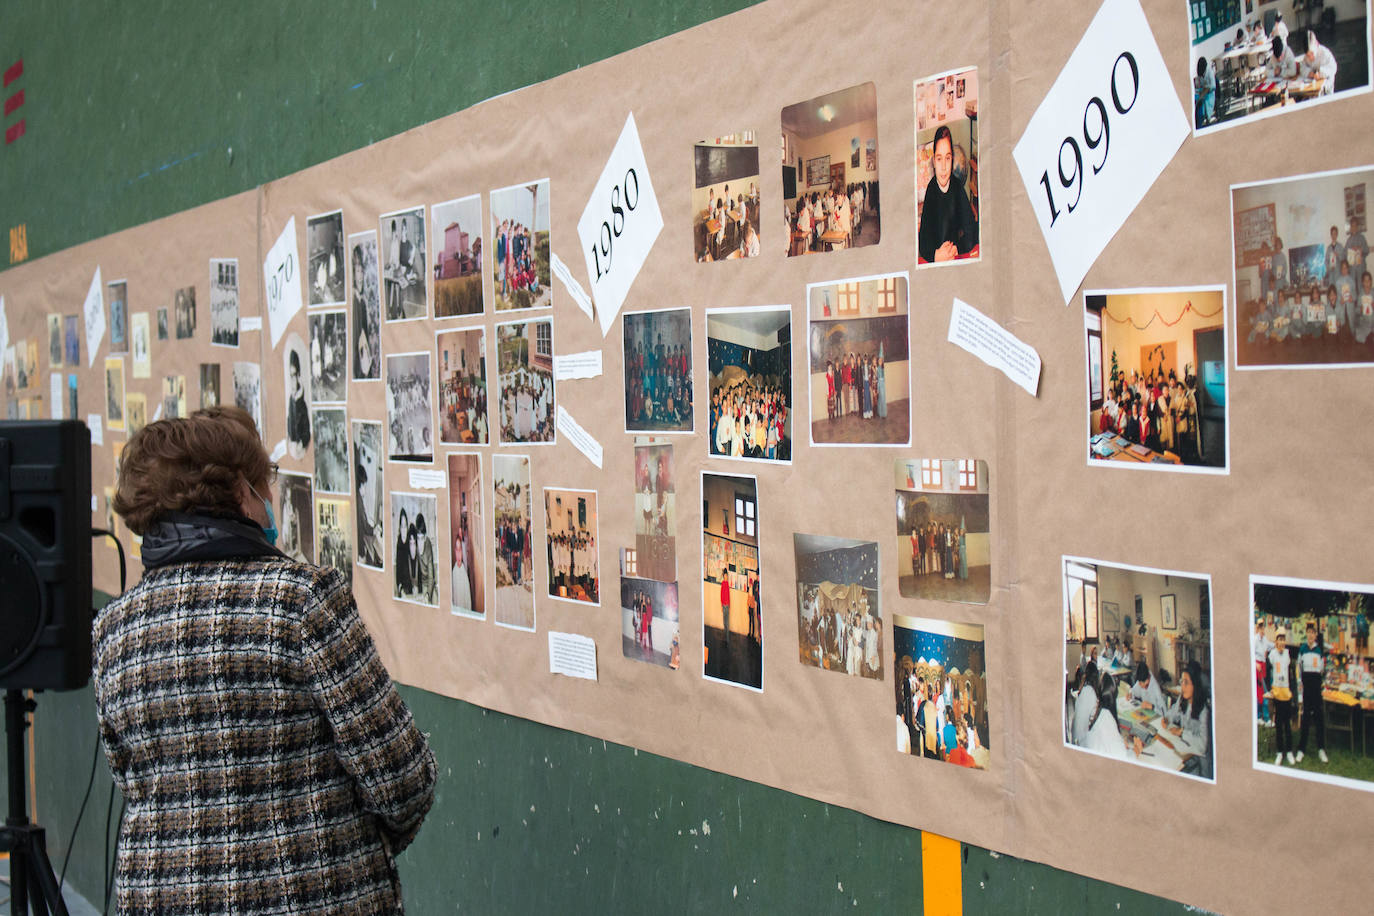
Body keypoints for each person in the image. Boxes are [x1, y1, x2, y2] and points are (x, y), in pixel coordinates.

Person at [96, 406, 436, 913]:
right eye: (266, 483)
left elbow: (133, 780)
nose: (272, 498)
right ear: (241, 493)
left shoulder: (115, 628)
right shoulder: (303, 601)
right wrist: (346, 849)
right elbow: (402, 776)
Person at [918, 124, 978, 263]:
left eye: (948, 158)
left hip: (954, 257)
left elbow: (971, 230)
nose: (944, 167)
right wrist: (935, 256)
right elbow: (923, 243)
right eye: (939, 159)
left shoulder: (957, 186)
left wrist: (957, 248)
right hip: (936, 260)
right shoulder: (931, 190)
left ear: (953, 159)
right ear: (934, 161)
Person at [1296, 622, 1328, 763]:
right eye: (1308, 632)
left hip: (1316, 687)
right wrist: (1299, 682)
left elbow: (1321, 670)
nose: (1310, 635)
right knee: (1306, 718)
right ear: (1306, 634)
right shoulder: (1302, 649)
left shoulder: (1319, 651)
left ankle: (1321, 749)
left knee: (1319, 718)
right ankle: (1301, 750)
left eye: (1312, 633)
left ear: (1315, 635)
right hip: (1306, 687)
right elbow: (1298, 666)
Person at [1268, 627, 1295, 765]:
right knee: (1278, 724)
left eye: (1283, 639)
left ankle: (1289, 751)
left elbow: (1292, 675)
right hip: (1277, 694)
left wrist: (1293, 693)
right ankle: (1279, 752)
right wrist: (1270, 689)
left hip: (1286, 694)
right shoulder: (1272, 655)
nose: (1282, 642)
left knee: (1287, 725)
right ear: (1276, 641)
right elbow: (1268, 672)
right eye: (1279, 639)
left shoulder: (1288, 655)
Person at [286, 348, 310, 457]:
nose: (291, 381)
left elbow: (307, 434)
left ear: (298, 376)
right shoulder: (291, 400)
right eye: (290, 376)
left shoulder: (302, 404)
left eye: (294, 375)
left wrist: (301, 444)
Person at [1194, 56, 1215, 127]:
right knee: (1197, 99)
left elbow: (1213, 86)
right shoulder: (1201, 73)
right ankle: (1198, 119)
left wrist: (1206, 90)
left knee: (1202, 102)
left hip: (1210, 94)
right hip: (1203, 92)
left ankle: (1205, 118)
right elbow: (1201, 85)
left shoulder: (1210, 72)